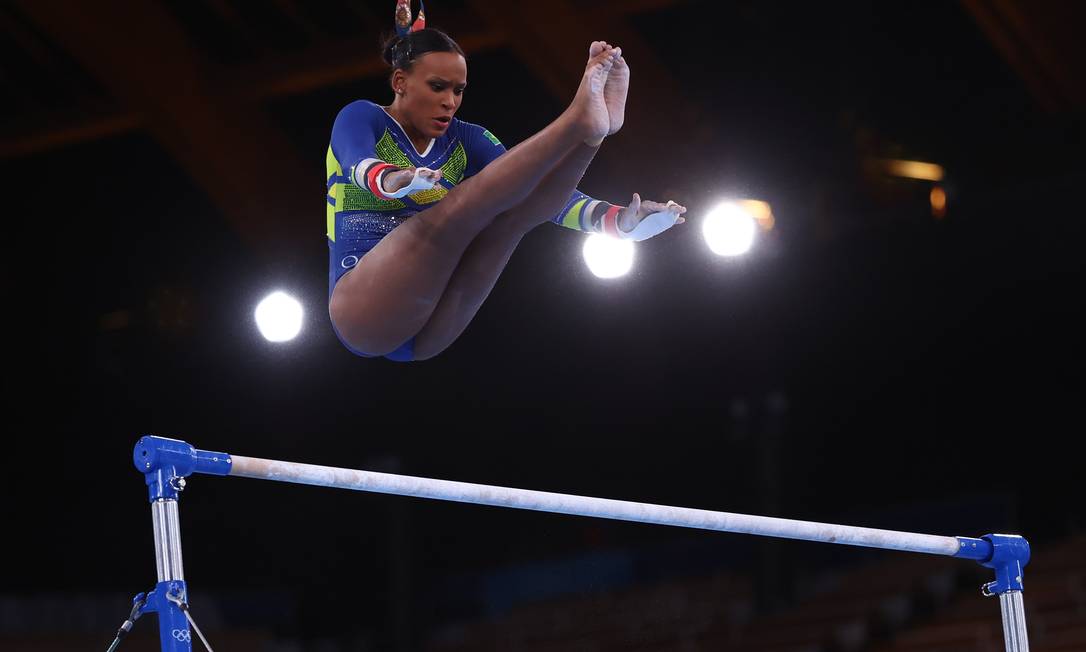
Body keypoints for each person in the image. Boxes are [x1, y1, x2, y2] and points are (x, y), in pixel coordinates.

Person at [326, 3, 686, 362]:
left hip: (430, 330)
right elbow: (359, 163)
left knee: (513, 217)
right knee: (457, 212)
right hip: (362, 307)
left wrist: (617, 221)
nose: (450, 102)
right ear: (400, 82)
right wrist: (393, 178)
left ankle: (592, 133)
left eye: (459, 90)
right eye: (438, 87)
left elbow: (532, 189)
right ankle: (576, 120)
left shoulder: (466, 139)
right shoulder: (362, 116)